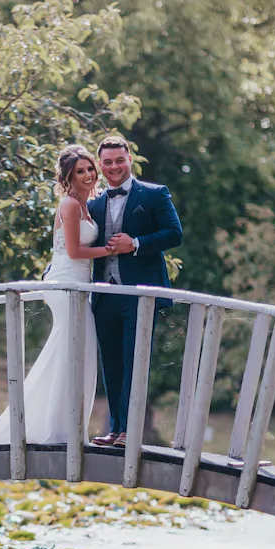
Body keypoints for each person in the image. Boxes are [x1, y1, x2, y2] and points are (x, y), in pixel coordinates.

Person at [0, 145, 116, 447]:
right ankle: (53, 431)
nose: (87, 175)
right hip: (64, 281)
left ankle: (64, 426)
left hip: (81, 286)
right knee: (70, 348)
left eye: (89, 169)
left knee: (77, 350)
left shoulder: (87, 205)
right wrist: (111, 249)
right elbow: (74, 251)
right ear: (68, 177)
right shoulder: (69, 205)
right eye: (79, 171)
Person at [88, 135, 183, 447]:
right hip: (104, 295)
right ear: (100, 166)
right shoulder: (95, 202)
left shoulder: (154, 194)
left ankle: (130, 430)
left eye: (119, 160)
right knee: (111, 365)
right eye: (107, 162)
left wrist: (136, 244)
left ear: (129, 159)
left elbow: (174, 233)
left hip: (141, 295)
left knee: (134, 362)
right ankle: (115, 429)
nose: (114, 166)